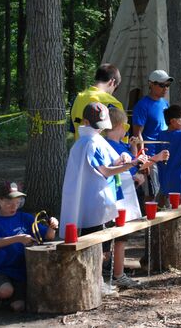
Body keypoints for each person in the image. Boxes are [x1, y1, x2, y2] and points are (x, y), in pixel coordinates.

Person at [60, 102, 143, 295]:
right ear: (87, 121)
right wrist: (130, 164)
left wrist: (123, 157)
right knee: (95, 246)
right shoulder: (88, 142)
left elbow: (110, 160)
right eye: (97, 125)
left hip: (102, 201)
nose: (100, 129)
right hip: (93, 203)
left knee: (103, 246)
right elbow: (104, 170)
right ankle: (94, 282)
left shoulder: (96, 140)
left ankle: (96, 280)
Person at [104, 107, 168, 287]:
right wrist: (155, 158)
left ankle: (117, 273)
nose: (127, 128)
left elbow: (135, 166)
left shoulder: (122, 145)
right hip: (117, 198)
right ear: (118, 125)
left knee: (122, 237)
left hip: (126, 194)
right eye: (125, 125)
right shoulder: (111, 146)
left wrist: (134, 148)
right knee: (113, 238)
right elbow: (134, 166)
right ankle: (113, 274)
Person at [0, 181, 58, 312]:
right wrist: (19, 238)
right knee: (6, 291)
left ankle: (1, 302)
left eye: (17, 202)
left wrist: (52, 227)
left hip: (21, 269)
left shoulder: (25, 217)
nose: (14, 206)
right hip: (0, 268)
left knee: (19, 307)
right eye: (9, 202)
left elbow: (48, 237)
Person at [132, 69, 173, 200]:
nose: (165, 88)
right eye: (162, 85)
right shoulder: (142, 105)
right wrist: (143, 158)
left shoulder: (165, 103)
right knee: (153, 192)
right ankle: (151, 218)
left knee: (166, 189)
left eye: (167, 85)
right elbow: (137, 133)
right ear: (151, 84)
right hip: (151, 155)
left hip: (165, 153)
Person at [70, 63, 124, 140]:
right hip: (102, 151)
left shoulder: (78, 98)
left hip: (81, 148)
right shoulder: (113, 103)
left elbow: (73, 129)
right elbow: (119, 136)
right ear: (112, 82)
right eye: (115, 88)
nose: (113, 92)